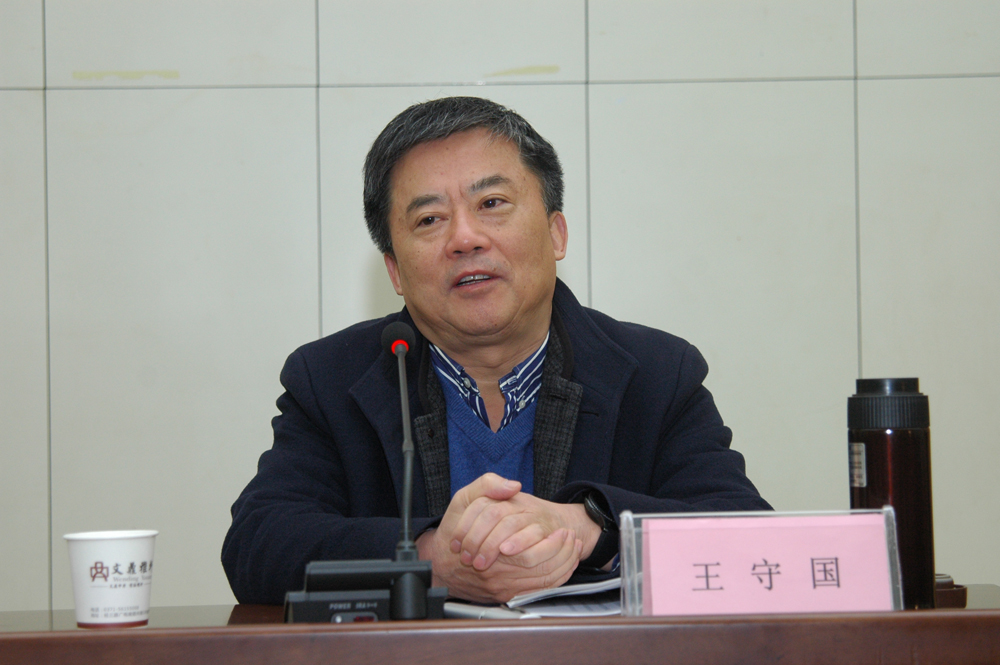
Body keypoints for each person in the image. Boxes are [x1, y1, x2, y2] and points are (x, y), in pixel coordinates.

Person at [222, 96, 770, 605]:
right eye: (429, 219)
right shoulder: (330, 379)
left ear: (556, 234)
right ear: (394, 270)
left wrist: (592, 529)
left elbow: (750, 538)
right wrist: (431, 559)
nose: (465, 238)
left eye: (492, 203)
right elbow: (258, 544)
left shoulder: (656, 373)